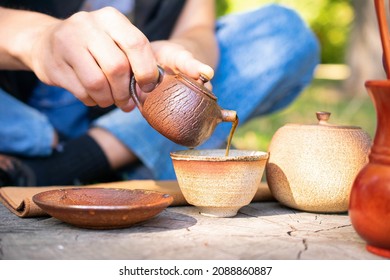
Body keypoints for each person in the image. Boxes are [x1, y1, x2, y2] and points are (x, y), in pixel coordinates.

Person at [0, 0, 319, 187]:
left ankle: (75, 162)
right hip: (12, 106)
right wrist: (38, 39)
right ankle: (132, 159)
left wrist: (185, 55)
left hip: (129, 106)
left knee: (284, 33)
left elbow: (197, 29)